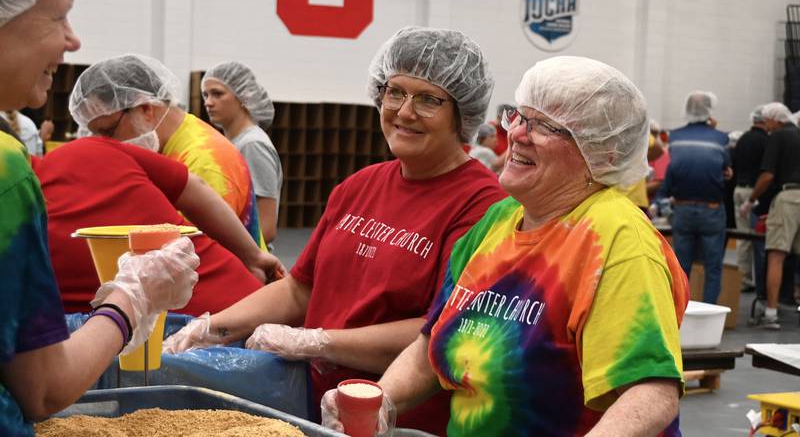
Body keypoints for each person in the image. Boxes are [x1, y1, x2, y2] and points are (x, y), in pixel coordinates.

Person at [318, 55, 690, 436]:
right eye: (520, 116)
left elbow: (650, 393)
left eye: (546, 126)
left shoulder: (616, 242)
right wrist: (382, 400)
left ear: (603, 154)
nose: (517, 134)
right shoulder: (497, 222)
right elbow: (429, 346)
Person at [164, 26, 507, 435]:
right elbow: (300, 289)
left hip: (397, 420)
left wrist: (315, 341)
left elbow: (441, 332)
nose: (404, 111)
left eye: (429, 99)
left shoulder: (482, 206)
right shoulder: (360, 186)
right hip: (313, 408)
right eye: (394, 91)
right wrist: (210, 328)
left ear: (462, 112)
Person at [0, 0, 200, 435]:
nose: (73, 38)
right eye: (58, 15)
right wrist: (129, 300)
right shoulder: (9, 172)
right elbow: (45, 389)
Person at [35, 134, 283, 315]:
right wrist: (253, 256)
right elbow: (195, 187)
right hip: (254, 308)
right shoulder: (85, 150)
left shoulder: (24, 243)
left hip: (176, 355)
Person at [68, 54, 266, 248]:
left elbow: (193, 257)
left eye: (109, 132)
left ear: (145, 108)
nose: (106, 143)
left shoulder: (205, 162)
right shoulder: (171, 143)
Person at [201, 62, 283, 245]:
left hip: (246, 261)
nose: (208, 102)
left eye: (217, 94)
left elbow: (266, 228)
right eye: (205, 95)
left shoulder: (252, 145)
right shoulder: (233, 143)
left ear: (243, 96)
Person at [662, 90, 731, 304]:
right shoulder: (721, 138)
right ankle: (709, 310)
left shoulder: (674, 137)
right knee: (713, 267)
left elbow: (670, 173)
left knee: (681, 268)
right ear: (710, 110)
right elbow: (725, 170)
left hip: (682, 210)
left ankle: (679, 314)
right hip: (711, 211)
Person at [740, 102, 800, 330]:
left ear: (775, 120)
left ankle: (771, 314)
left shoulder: (778, 136)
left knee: (776, 254)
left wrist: (751, 200)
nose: (765, 126)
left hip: (788, 198)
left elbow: (767, 176)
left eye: (767, 122)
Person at [732, 106, 769, 293]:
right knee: (758, 240)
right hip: (754, 194)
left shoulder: (743, 139)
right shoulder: (766, 141)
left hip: (738, 189)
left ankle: (743, 278)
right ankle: (760, 282)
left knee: (741, 237)